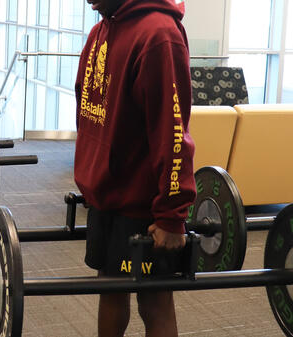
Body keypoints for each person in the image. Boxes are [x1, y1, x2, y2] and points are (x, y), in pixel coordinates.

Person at [74, 0, 196, 336]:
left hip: (146, 203)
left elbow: (172, 131)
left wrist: (172, 214)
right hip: (106, 194)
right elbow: (86, 113)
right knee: (110, 289)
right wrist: (91, 177)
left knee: (154, 302)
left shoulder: (159, 35)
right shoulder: (101, 31)